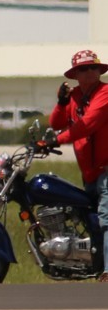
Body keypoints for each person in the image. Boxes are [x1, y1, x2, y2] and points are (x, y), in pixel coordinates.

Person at [47, 49, 108, 279]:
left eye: (94, 67)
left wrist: (57, 139)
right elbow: (56, 122)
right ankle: (90, 264)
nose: (90, 72)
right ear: (75, 74)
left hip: (106, 169)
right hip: (89, 173)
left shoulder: (105, 93)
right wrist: (61, 102)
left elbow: (88, 124)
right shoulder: (73, 97)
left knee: (106, 218)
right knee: (91, 221)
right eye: (84, 68)